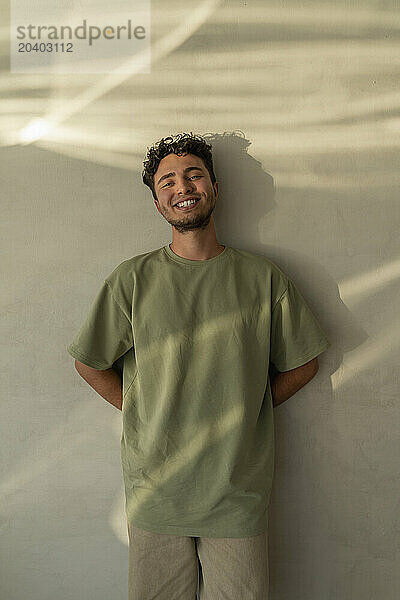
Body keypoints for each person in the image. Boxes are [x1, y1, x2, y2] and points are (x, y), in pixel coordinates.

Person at [67, 132, 330, 599]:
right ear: (157, 203)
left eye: (193, 174)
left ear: (213, 187)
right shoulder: (133, 280)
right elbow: (90, 362)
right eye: (167, 181)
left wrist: (252, 404)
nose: (182, 187)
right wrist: (140, 409)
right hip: (157, 490)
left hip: (236, 490)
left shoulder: (262, 278)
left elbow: (304, 362)